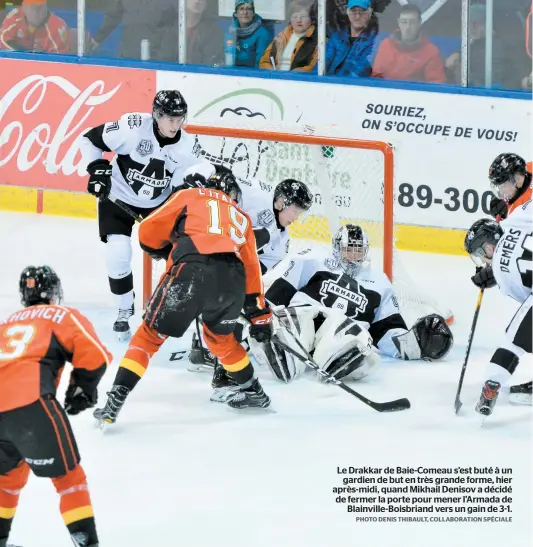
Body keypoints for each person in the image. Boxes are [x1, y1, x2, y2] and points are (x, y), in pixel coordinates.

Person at [93, 172, 274, 426]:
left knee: (149, 336)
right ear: (232, 194)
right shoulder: (241, 216)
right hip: (232, 277)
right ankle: (255, 392)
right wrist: (260, 315)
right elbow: (252, 271)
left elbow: (146, 232)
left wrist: (166, 247)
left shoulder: (189, 195)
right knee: (221, 341)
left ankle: (115, 401)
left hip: (192, 269)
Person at [79, 89, 214, 341]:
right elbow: (89, 139)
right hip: (118, 197)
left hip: (157, 206)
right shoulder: (131, 127)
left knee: (179, 259)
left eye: (179, 119)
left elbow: (179, 192)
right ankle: (123, 308)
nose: (175, 125)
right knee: (118, 252)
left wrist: (171, 222)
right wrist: (97, 170)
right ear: (156, 115)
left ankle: (171, 308)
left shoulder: (188, 149)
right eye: (170, 118)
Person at [252, 224, 453, 383]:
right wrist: (259, 314)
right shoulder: (315, 259)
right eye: (348, 249)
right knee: (293, 322)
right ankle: (284, 352)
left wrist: (415, 343)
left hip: (342, 328)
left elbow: (386, 328)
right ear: (337, 248)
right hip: (307, 314)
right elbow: (281, 290)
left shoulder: (379, 282)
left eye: (358, 251)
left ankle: (339, 359)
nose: (353, 256)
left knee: (355, 338)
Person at [0, 266, 112, 547]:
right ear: (53, 293)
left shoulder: (6, 324)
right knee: (69, 478)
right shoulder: (61, 315)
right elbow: (95, 356)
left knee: (6, 479)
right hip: (30, 402)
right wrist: (81, 388)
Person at [188, 176, 313, 374]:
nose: (297, 217)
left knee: (237, 298)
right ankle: (208, 343)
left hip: (228, 266)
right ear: (281, 202)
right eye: (296, 210)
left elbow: (256, 271)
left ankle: (214, 346)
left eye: (301, 213)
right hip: (208, 245)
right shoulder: (257, 194)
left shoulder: (282, 242)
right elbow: (224, 179)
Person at [465, 202, 532, 416]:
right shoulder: (515, 219)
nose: (483, 260)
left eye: (480, 253)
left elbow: (526, 297)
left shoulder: (502, 276)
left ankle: (491, 387)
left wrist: (495, 272)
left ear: (489, 247)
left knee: (512, 343)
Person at [371, 3, 446, 84]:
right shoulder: (385, 44)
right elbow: (376, 76)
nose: (408, 27)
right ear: (399, 23)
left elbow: (436, 85)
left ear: (419, 23)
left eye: (412, 22)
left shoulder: (431, 52)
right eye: (404, 22)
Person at [259, 0, 318, 72]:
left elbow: (315, 67)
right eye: (294, 16)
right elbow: (264, 62)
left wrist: (297, 73)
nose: (298, 20)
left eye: (303, 16)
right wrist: (272, 71)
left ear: (311, 19)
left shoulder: (318, 40)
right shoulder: (280, 37)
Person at [325, 0, 378, 77]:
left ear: (369, 13)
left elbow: (360, 71)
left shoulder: (375, 40)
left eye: (362, 11)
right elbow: (321, 64)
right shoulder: (336, 37)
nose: (357, 16)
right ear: (348, 13)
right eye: (353, 11)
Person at [0, 0, 70, 53]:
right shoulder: (15, 16)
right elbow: (2, 40)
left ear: (45, 7)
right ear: (24, 7)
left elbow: (58, 64)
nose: (36, 13)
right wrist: (25, 53)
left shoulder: (58, 28)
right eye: (32, 7)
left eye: (39, 8)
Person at [487, 153, 532, 220]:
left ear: (517, 179)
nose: (501, 192)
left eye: (502, 185)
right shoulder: (526, 168)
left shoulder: (522, 213)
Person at [231, 0, 271, 68]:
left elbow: (260, 64)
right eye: (241, 9)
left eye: (249, 9)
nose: (245, 12)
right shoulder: (230, 31)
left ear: (253, 13)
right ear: (236, 14)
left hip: (251, 75)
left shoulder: (262, 33)